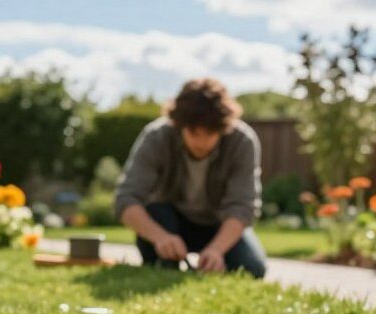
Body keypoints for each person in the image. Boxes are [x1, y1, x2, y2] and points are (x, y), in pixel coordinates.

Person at [114, 78, 267, 278]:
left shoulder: (242, 142)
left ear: (224, 127)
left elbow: (242, 207)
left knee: (252, 268)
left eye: (210, 133)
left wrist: (216, 250)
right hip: (169, 224)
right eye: (194, 132)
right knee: (158, 226)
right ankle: (165, 262)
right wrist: (160, 237)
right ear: (179, 124)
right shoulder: (156, 137)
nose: (201, 142)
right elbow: (126, 200)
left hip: (218, 224)